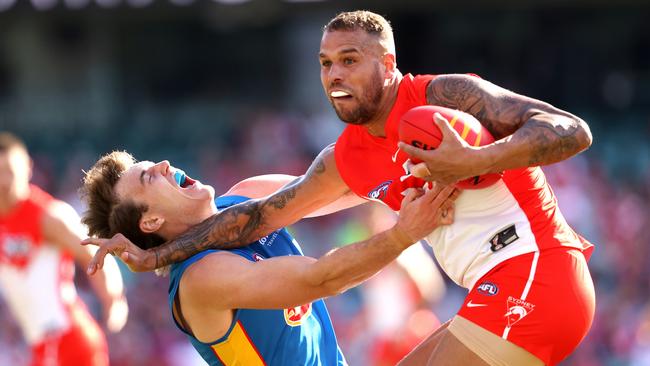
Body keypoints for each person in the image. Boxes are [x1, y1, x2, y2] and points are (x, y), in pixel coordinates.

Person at [84, 10, 595, 366]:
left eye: (350, 60)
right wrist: (155, 259)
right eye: (326, 64)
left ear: (389, 65)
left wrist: (476, 159)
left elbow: (573, 130)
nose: (334, 75)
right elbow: (275, 236)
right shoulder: (345, 158)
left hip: (537, 272)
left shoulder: (446, 95)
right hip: (504, 285)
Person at [78, 151, 457, 366]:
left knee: (486, 324)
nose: (164, 165)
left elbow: (340, 187)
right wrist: (405, 233)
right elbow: (322, 279)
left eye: (153, 164)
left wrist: (421, 164)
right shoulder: (200, 279)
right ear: (152, 221)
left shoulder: (246, 196)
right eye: (149, 178)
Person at [0, 133, 128, 366]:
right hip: (40, 343)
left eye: (10, 171)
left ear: (27, 168)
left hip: (67, 340)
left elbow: (95, 252)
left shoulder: (48, 216)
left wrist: (113, 302)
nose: (4, 182)